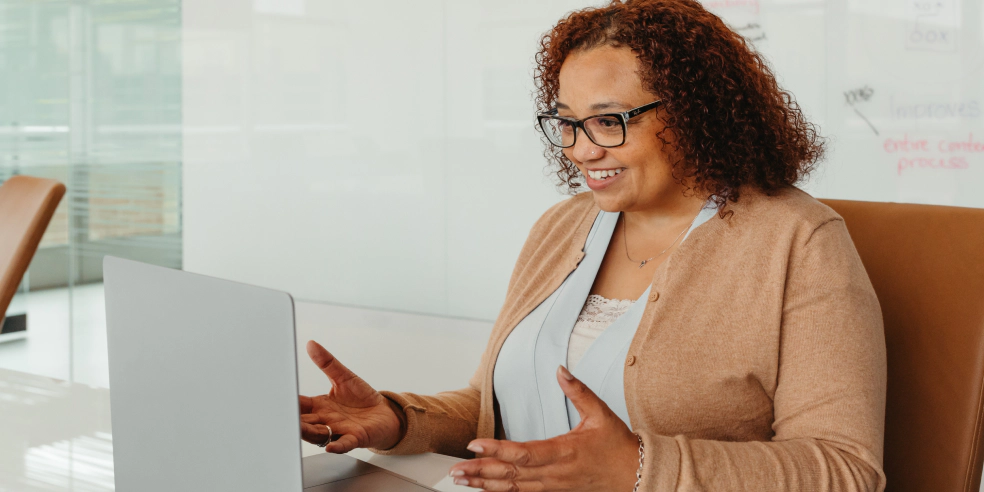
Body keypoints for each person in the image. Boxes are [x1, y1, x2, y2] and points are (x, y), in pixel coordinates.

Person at [298, 1, 887, 490]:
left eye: (609, 121)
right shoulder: (563, 225)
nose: (580, 150)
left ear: (694, 113)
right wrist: (399, 419)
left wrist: (640, 468)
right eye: (567, 122)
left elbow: (845, 468)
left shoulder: (799, 243)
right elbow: (494, 403)